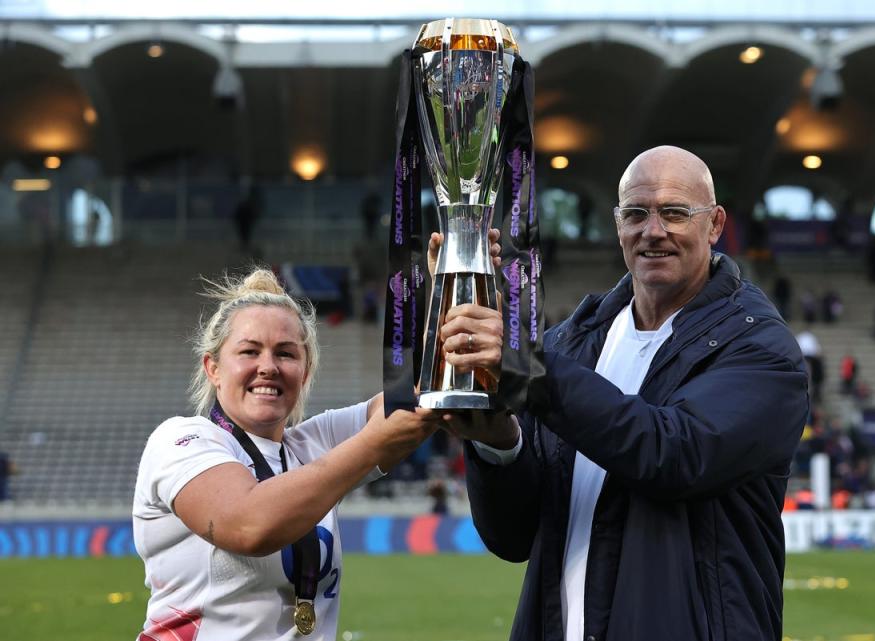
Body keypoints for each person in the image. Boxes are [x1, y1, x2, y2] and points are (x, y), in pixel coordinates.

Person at [448, 146, 808, 641]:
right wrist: (497, 441)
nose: (653, 230)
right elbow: (513, 536)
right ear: (617, 225)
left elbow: (673, 453)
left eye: (675, 213)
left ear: (716, 224)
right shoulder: (570, 343)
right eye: (636, 213)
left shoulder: (761, 349)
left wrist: (524, 367)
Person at [132, 267, 499, 640]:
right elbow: (247, 525)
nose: (268, 367)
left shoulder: (310, 443)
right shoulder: (181, 440)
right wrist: (373, 443)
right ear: (213, 368)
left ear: (305, 372)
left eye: (286, 354)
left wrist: (451, 290)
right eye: (249, 351)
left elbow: (422, 396)